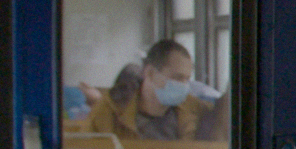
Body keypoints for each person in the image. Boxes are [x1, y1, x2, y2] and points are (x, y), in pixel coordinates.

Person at [85, 39, 215, 141]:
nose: (184, 86)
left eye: (187, 79)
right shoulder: (109, 111)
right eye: (177, 78)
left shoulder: (192, 106)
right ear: (150, 72)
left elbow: (221, 115)